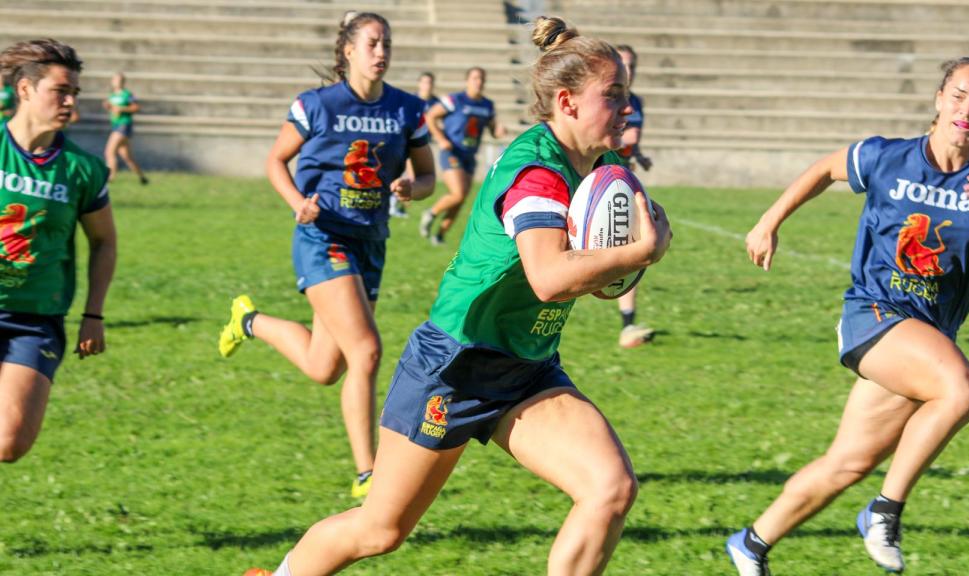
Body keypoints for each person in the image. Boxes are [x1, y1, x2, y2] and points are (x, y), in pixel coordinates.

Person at [244, 15, 672, 576]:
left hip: (526, 369)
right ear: (567, 102)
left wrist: (626, 257)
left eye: (627, 95)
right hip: (453, 365)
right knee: (380, 530)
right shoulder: (535, 173)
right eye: (613, 96)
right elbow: (548, 276)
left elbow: (593, 271)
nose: (627, 107)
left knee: (610, 489)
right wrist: (639, 252)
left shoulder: (602, 166)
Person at [728, 56, 969, 575]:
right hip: (874, 313)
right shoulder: (886, 156)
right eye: (958, 95)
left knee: (849, 462)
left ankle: (751, 543)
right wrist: (768, 221)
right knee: (961, 390)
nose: (968, 109)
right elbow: (824, 169)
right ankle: (884, 512)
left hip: (925, 335)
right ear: (938, 99)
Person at [218, 11, 435, 499]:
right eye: (373, 43)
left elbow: (428, 179)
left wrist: (410, 187)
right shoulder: (315, 105)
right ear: (349, 51)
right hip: (323, 237)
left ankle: (248, 320)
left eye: (387, 44)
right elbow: (275, 160)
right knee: (367, 350)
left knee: (325, 366)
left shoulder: (406, 109)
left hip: (370, 239)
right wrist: (299, 204)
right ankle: (368, 473)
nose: (382, 52)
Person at [0, 39, 117, 463]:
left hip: (35, 318)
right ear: (26, 90)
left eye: (74, 93)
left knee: (9, 442)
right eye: (60, 91)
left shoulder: (82, 169)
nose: (70, 101)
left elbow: (104, 241)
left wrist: (93, 314)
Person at [418, 66, 506, 245]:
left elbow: (493, 130)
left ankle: (440, 234)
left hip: (469, 156)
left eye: (481, 79)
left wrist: (498, 130)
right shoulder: (455, 100)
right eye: (475, 78)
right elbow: (430, 116)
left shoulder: (487, 105)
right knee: (457, 194)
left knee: (461, 199)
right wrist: (441, 139)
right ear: (467, 81)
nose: (478, 82)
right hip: (452, 152)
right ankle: (431, 213)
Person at [613, 45, 655, 349]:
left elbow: (632, 139)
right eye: (623, 64)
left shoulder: (636, 101)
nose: (630, 71)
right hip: (597, 181)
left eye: (633, 65)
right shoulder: (603, 97)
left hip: (623, 180)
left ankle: (628, 326)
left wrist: (638, 154)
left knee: (634, 250)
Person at [390, 71, 438, 218]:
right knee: (412, 178)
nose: (427, 86)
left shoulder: (436, 102)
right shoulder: (411, 101)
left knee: (413, 179)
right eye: (424, 82)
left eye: (429, 83)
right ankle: (393, 204)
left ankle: (396, 204)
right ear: (419, 84)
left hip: (424, 145)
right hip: (411, 144)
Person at [102, 72, 147, 185]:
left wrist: (122, 109)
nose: (117, 82)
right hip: (116, 125)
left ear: (123, 81)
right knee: (127, 157)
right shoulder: (112, 95)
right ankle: (142, 177)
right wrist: (108, 106)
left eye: (119, 80)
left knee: (109, 151)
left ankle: (110, 178)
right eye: (115, 79)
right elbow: (112, 108)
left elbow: (136, 107)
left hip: (124, 125)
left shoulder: (127, 94)